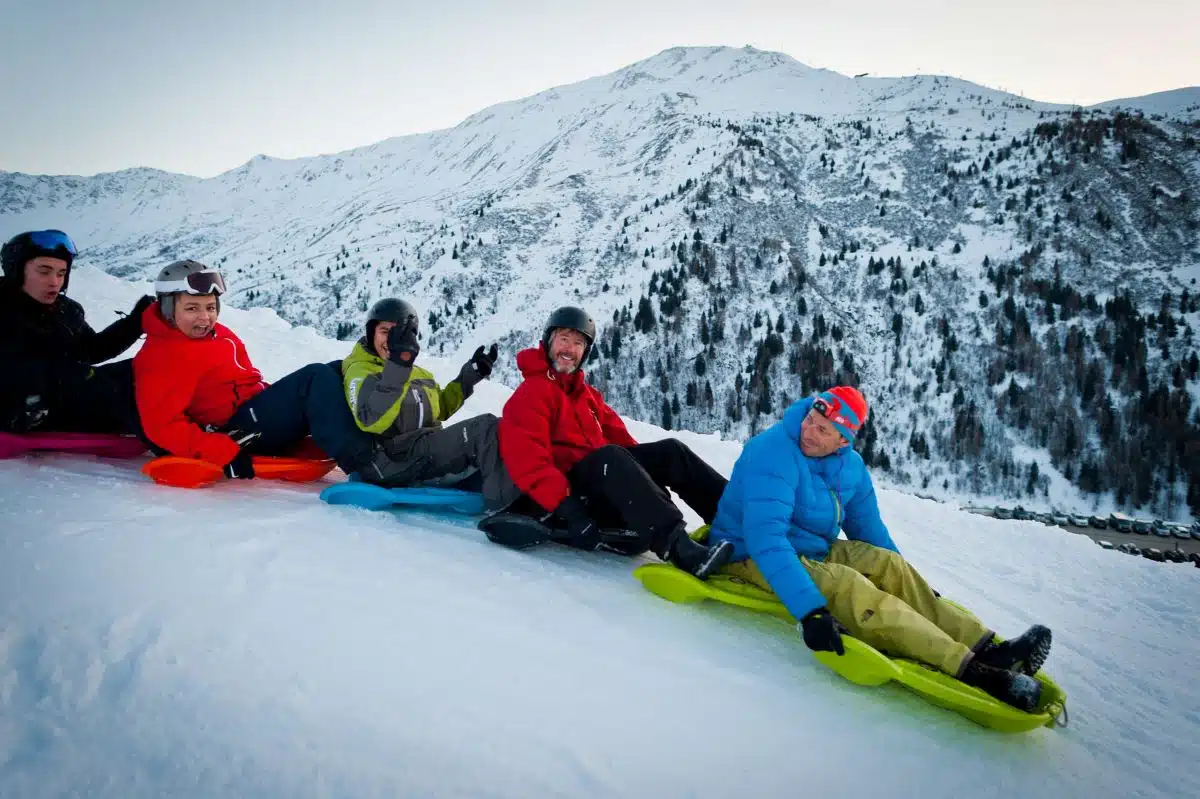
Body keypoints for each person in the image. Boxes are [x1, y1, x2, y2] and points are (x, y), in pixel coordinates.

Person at [707, 386, 1053, 712]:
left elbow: (869, 529)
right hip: (747, 553)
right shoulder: (772, 452)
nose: (809, 432)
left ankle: (991, 650)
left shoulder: (850, 467)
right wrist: (811, 611)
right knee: (849, 587)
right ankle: (973, 671)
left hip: (807, 548)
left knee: (888, 567)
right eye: (810, 421)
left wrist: (909, 584)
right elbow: (765, 538)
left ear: (844, 440)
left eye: (823, 430)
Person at [496, 306, 734, 577]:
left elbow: (627, 446)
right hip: (568, 498)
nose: (569, 349)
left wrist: (647, 485)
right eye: (564, 339)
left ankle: (735, 520)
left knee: (670, 451)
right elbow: (528, 462)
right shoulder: (532, 393)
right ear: (548, 342)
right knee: (609, 457)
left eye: (578, 343)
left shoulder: (587, 396)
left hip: (605, 480)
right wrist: (570, 510)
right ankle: (680, 550)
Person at [133, 259, 380, 479]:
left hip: (255, 413)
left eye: (210, 307)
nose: (204, 318)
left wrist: (286, 401)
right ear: (167, 310)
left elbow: (245, 382)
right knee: (315, 378)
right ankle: (368, 466)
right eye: (191, 308)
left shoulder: (216, 335)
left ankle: (387, 440)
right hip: (236, 434)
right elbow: (161, 426)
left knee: (341, 371)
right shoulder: (162, 356)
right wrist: (222, 453)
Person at [341, 297, 521, 509]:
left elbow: (440, 408)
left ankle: (528, 491)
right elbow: (371, 420)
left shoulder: (418, 372)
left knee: (504, 429)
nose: (392, 341)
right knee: (484, 429)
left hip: (427, 447)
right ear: (371, 333)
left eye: (400, 334)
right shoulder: (361, 371)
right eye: (385, 331)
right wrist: (398, 366)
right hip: (396, 458)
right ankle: (506, 507)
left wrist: (469, 377)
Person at [0, 229, 153, 435]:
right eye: (44, 272)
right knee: (133, 397)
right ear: (16, 271)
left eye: (61, 273)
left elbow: (91, 350)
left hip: (74, 390)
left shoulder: (65, 310)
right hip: (29, 409)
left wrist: (136, 322)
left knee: (148, 370)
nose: (54, 281)